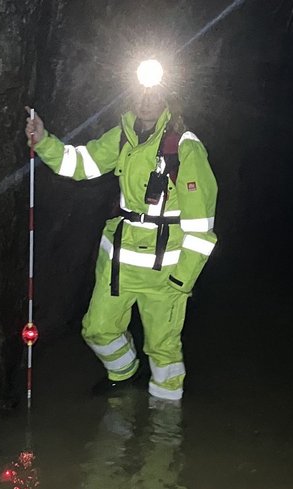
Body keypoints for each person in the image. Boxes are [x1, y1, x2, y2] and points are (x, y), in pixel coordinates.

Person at [25, 87, 217, 401]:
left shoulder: (184, 147)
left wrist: (182, 279)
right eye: (141, 92)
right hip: (118, 264)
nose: (146, 100)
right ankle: (125, 375)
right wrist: (44, 140)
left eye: (155, 94)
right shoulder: (122, 136)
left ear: (167, 98)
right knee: (97, 329)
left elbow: (201, 226)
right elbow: (80, 163)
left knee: (162, 350)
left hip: (165, 271)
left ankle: (164, 427)